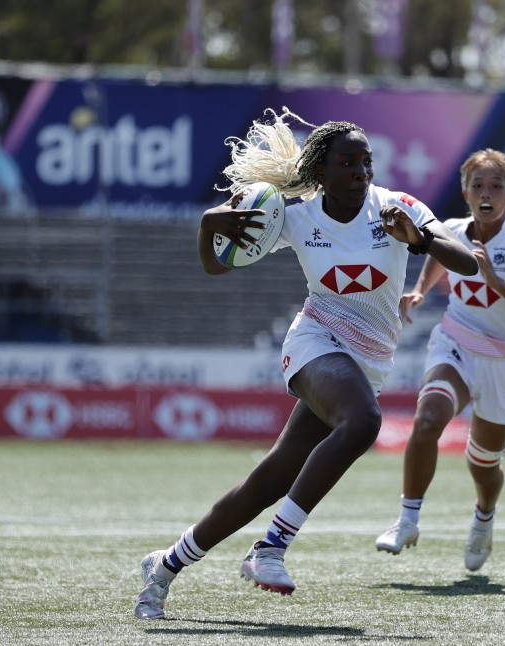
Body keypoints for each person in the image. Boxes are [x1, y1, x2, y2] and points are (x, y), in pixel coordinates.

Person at [133, 108, 477, 619]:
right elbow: (216, 264)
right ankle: (269, 548)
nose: (361, 172)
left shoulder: (398, 208)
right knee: (363, 423)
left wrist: (420, 238)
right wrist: (209, 227)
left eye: (367, 162)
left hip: (368, 362)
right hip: (315, 343)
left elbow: (467, 263)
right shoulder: (294, 216)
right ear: (321, 172)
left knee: (268, 481)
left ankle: (164, 567)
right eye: (347, 162)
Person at [373, 148, 505, 570]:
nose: (486, 192)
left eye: (496, 186)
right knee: (429, 416)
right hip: (456, 340)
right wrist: (420, 289)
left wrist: (496, 281)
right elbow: (438, 259)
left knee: (484, 462)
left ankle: (483, 517)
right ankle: (408, 518)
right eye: (478, 186)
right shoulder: (452, 229)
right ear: (465, 193)